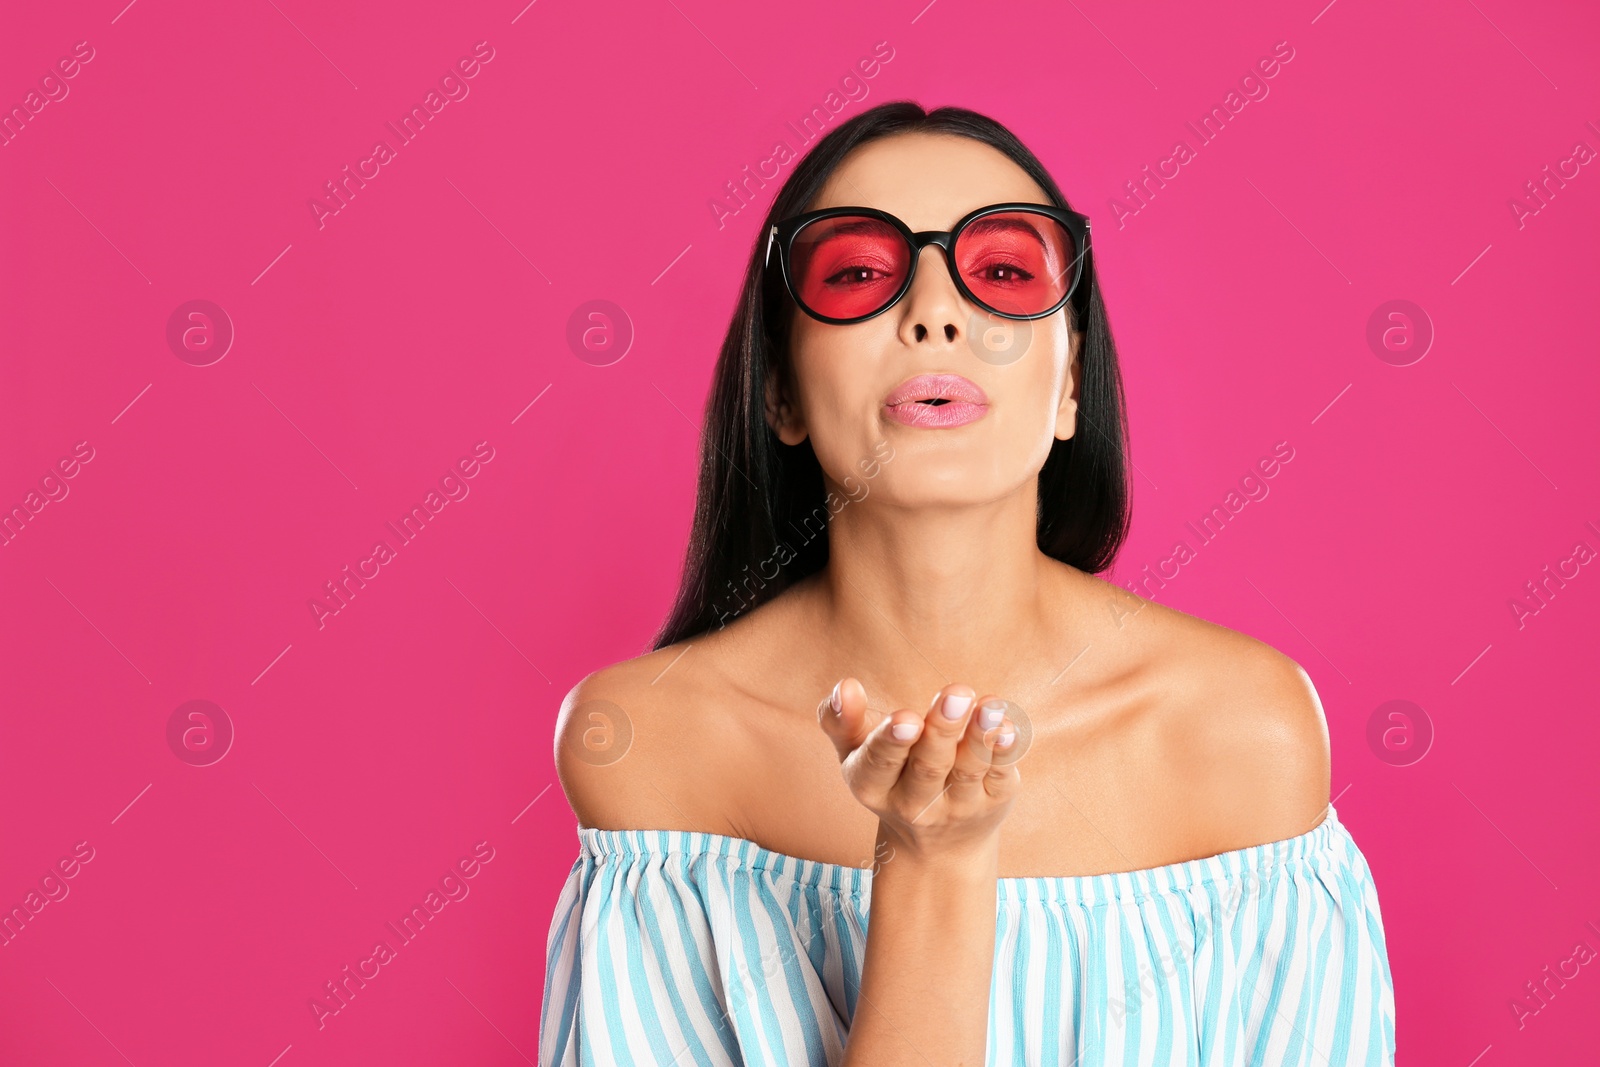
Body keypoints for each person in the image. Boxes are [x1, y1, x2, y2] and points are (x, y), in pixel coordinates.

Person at [539, 100, 1396, 1066]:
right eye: (860, 274)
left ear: (1071, 384)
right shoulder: (653, 749)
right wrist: (931, 865)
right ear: (778, 389)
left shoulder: (1244, 732)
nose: (935, 313)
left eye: (1002, 273)